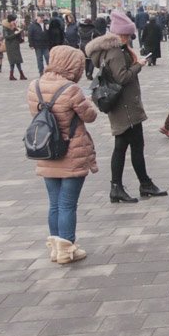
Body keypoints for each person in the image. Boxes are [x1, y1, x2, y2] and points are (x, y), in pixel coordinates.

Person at [27, 45, 98, 265]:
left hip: (46, 149)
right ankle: (68, 249)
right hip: (71, 150)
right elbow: (89, 115)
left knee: (55, 203)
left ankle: (56, 249)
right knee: (68, 204)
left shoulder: (35, 86)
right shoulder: (71, 89)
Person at [86, 10, 166, 203]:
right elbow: (122, 78)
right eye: (128, 35)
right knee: (124, 147)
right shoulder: (115, 52)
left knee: (132, 146)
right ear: (120, 34)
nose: (130, 38)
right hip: (125, 107)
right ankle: (121, 187)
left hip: (125, 106)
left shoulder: (113, 50)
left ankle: (140, 183)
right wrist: (139, 64)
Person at [3, 14, 27, 80]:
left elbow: (18, 36)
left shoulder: (14, 27)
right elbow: (7, 37)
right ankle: (13, 75)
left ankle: (20, 75)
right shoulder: (6, 28)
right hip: (10, 47)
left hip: (16, 46)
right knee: (13, 61)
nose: (14, 22)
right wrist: (15, 34)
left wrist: (20, 32)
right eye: (13, 20)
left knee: (17, 61)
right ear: (10, 21)